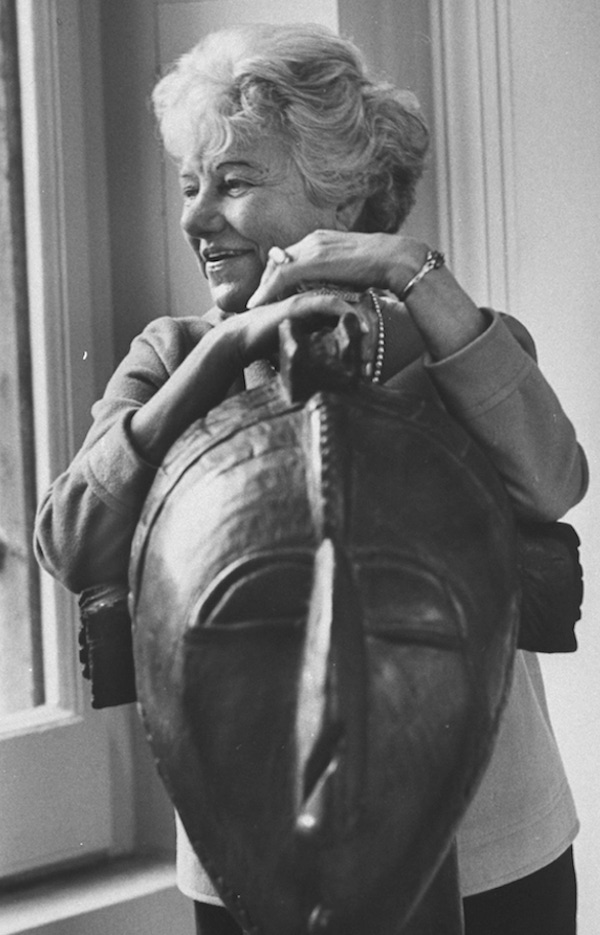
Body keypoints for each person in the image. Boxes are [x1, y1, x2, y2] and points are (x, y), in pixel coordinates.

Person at [34, 22, 587, 935]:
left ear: (342, 189)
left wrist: (414, 274)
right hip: (246, 856)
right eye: (189, 186)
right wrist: (218, 361)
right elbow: (70, 539)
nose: (194, 217)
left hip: (489, 843)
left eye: (234, 182)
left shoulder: (462, 343)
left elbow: (554, 480)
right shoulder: (170, 356)